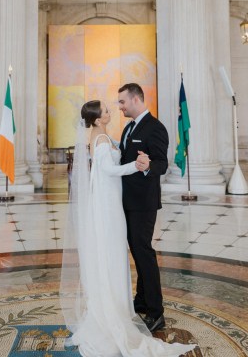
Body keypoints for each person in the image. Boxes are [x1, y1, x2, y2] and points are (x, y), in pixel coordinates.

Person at [60, 99, 196, 357]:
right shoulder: (100, 138)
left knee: (122, 251)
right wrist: (136, 165)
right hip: (109, 203)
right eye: (109, 109)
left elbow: (146, 160)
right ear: (99, 119)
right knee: (113, 252)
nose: (115, 109)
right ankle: (118, 307)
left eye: (120, 103)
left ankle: (131, 304)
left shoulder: (106, 134)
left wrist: (143, 164)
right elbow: (109, 170)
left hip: (118, 201)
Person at [118, 83, 169, 333]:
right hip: (128, 201)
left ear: (136, 99)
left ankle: (156, 312)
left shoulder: (155, 128)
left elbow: (162, 163)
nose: (120, 107)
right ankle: (141, 300)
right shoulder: (129, 128)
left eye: (122, 102)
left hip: (143, 203)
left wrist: (148, 165)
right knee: (137, 252)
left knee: (144, 253)